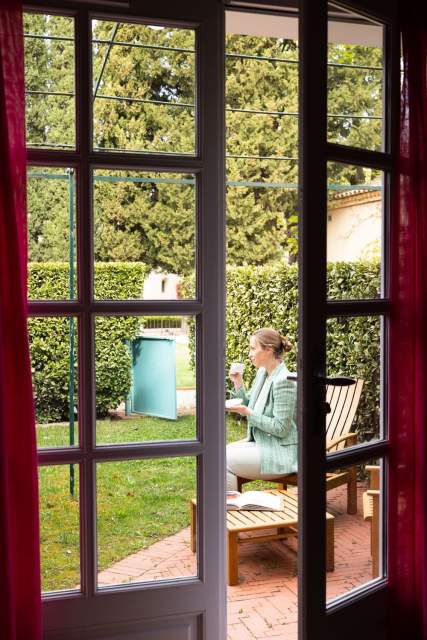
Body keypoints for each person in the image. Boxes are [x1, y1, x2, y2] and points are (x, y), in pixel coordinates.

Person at [225, 328, 297, 492]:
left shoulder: (284, 381)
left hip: (281, 453)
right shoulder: (263, 373)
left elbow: (281, 428)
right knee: (217, 453)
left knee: (224, 461)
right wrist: (238, 382)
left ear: (268, 349)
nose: (249, 353)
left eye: (252, 348)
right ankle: (226, 510)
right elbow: (249, 404)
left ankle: (229, 511)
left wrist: (248, 413)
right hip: (262, 443)